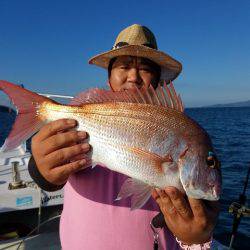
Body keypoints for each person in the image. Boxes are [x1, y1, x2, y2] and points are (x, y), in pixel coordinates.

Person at [28, 24, 219, 249]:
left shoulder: (187, 137)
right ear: (109, 79)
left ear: (158, 81)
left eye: (145, 69)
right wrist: (41, 171)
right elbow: (49, 171)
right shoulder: (79, 124)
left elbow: (198, 223)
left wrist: (196, 240)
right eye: (124, 66)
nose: (133, 77)